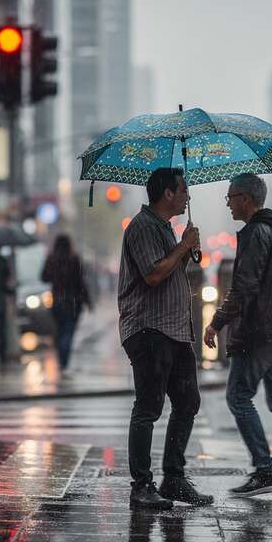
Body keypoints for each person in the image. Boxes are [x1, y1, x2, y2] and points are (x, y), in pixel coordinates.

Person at [203, 173, 272, 501]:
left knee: (238, 396)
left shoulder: (255, 233)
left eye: (231, 197)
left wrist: (216, 323)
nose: (228, 203)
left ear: (246, 199)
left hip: (260, 330)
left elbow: (244, 287)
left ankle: (265, 470)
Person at [117, 167, 214, 510]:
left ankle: (173, 478)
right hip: (149, 328)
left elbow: (170, 270)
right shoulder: (143, 226)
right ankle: (141, 485)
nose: (187, 196)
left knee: (188, 402)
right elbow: (154, 275)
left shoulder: (164, 227)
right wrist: (183, 246)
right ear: (168, 194)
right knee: (149, 406)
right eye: (184, 190)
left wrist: (186, 250)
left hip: (175, 330)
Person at [41, 234, 93, 371]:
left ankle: (61, 360)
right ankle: (64, 361)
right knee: (68, 331)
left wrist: (55, 275)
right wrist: (88, 301)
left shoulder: (51, 259)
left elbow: (44, 277)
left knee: (59, 331)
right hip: (73, 301)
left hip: (57, 300)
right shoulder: (74, 259)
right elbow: (81, 282)